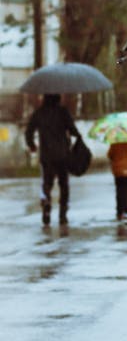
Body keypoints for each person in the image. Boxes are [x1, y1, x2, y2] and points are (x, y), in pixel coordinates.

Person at [25, 93, 81, 235]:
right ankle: (63, 215)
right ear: (57, 98)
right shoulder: (63, 112)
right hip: (63, 154)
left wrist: (32, 145)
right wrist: (75, 139)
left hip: (46, 155)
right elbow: (73, 130)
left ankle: (46, 204)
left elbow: (29, 131)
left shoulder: (39, 113)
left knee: (47, 183)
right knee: (64, 184)